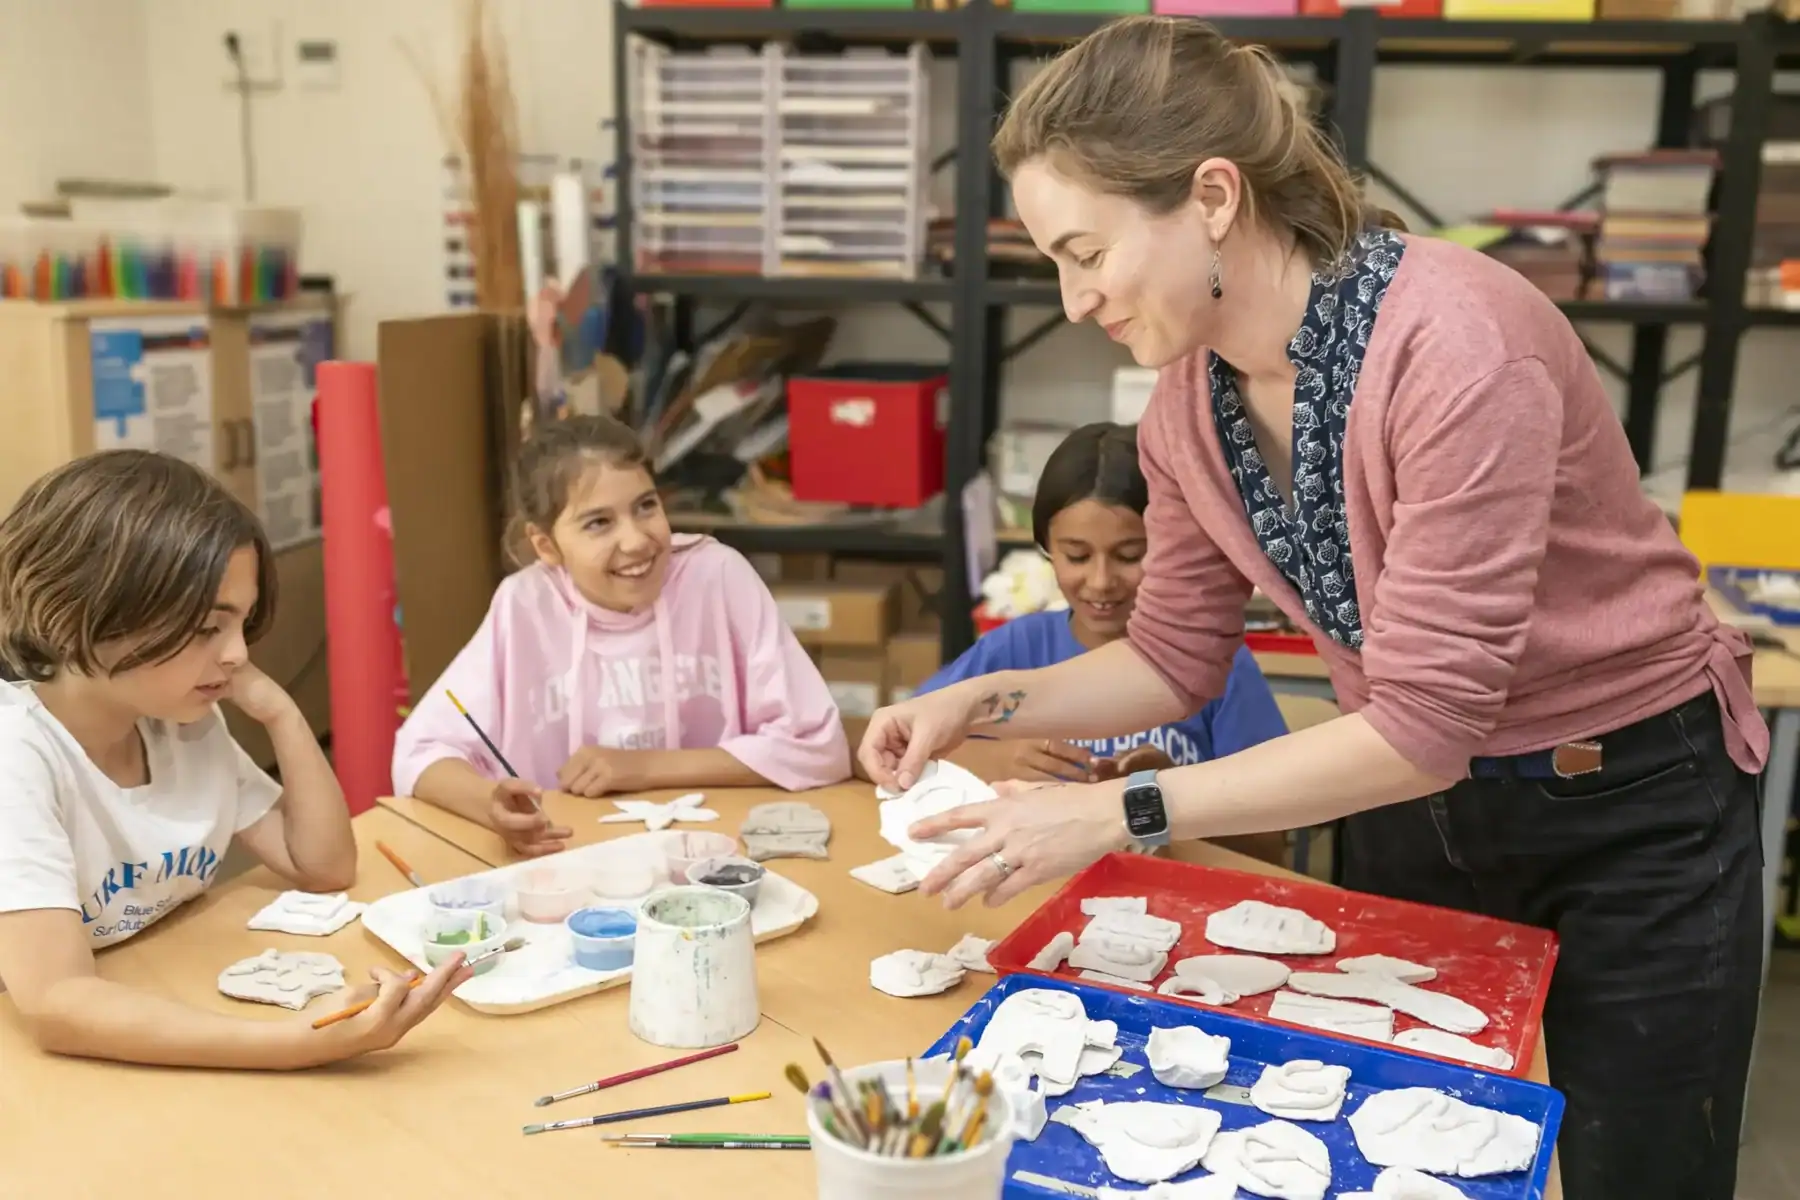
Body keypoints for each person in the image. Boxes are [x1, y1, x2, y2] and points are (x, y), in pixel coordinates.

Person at [856, 17, 1767, 1200]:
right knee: (1405, 1153)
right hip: (1407, 801)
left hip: (1627, 805)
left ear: (1212, 197)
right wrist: (980, 700)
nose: (1075, 301)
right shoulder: (1187, 408)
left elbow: (1426, 722)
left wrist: (1115, 813)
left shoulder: (1456, 347)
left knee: (1630, 1170)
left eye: (1088, 253)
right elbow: (1172, 658)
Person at [0, 451, 468, 1069]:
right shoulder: (17, 752)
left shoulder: (180, 723)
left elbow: (322, 865)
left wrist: (282, 714)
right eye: (206, 629)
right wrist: (297, 1045)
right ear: (75, 616)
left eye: (242, 624)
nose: (237, 654)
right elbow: (56, 1001)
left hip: (150, 985)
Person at [396, 415, 848, 857]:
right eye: (598, 523)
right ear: (547, 546)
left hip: (719, 853)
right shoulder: (525, 604)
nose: (636, 541)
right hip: (575, 858)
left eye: (646, 506)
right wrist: (489, 805)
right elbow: (421, 752)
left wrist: (642, 768)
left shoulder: (718, 576)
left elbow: (818, 745)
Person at [918, 422, 1289, 863]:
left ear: (1174, 548)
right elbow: (892, 748)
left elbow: (1271, 845)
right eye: (1077, 556)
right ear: (1046, 548)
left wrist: (1173, 797)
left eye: (1131, 555)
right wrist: (998, 759)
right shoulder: (1012, 649)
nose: (1100, 581)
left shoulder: (1218, 660)